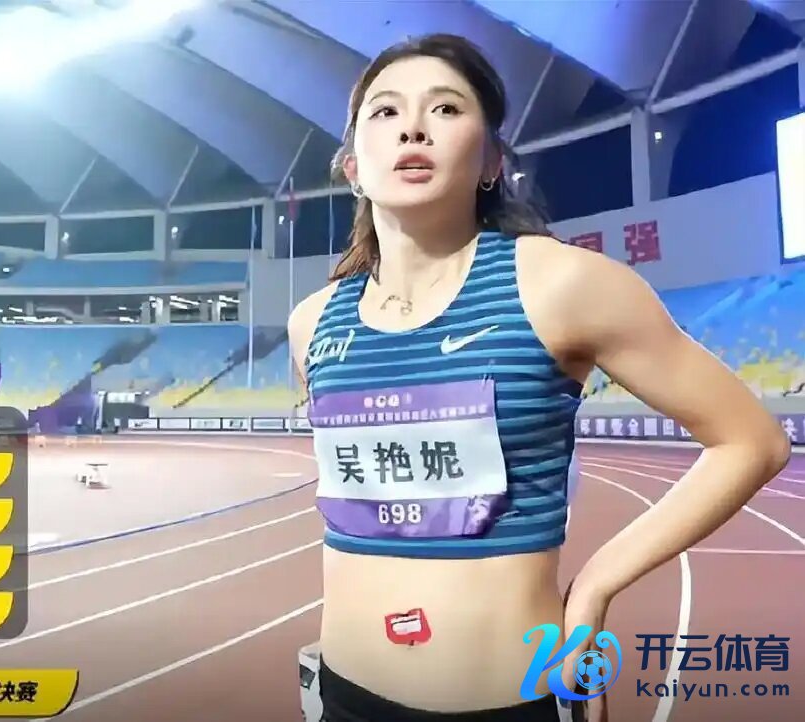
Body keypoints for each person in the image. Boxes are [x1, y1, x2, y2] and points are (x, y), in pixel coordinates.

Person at [288, 33, 791, 722]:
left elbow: (751, 441)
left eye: (445, 108)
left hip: (513, 701)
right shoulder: (312, 323)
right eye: (385, 111)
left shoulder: (562, 284)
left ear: (492, 161)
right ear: (352, 166)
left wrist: (595, 588)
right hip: (345, 693)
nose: (413, 127)